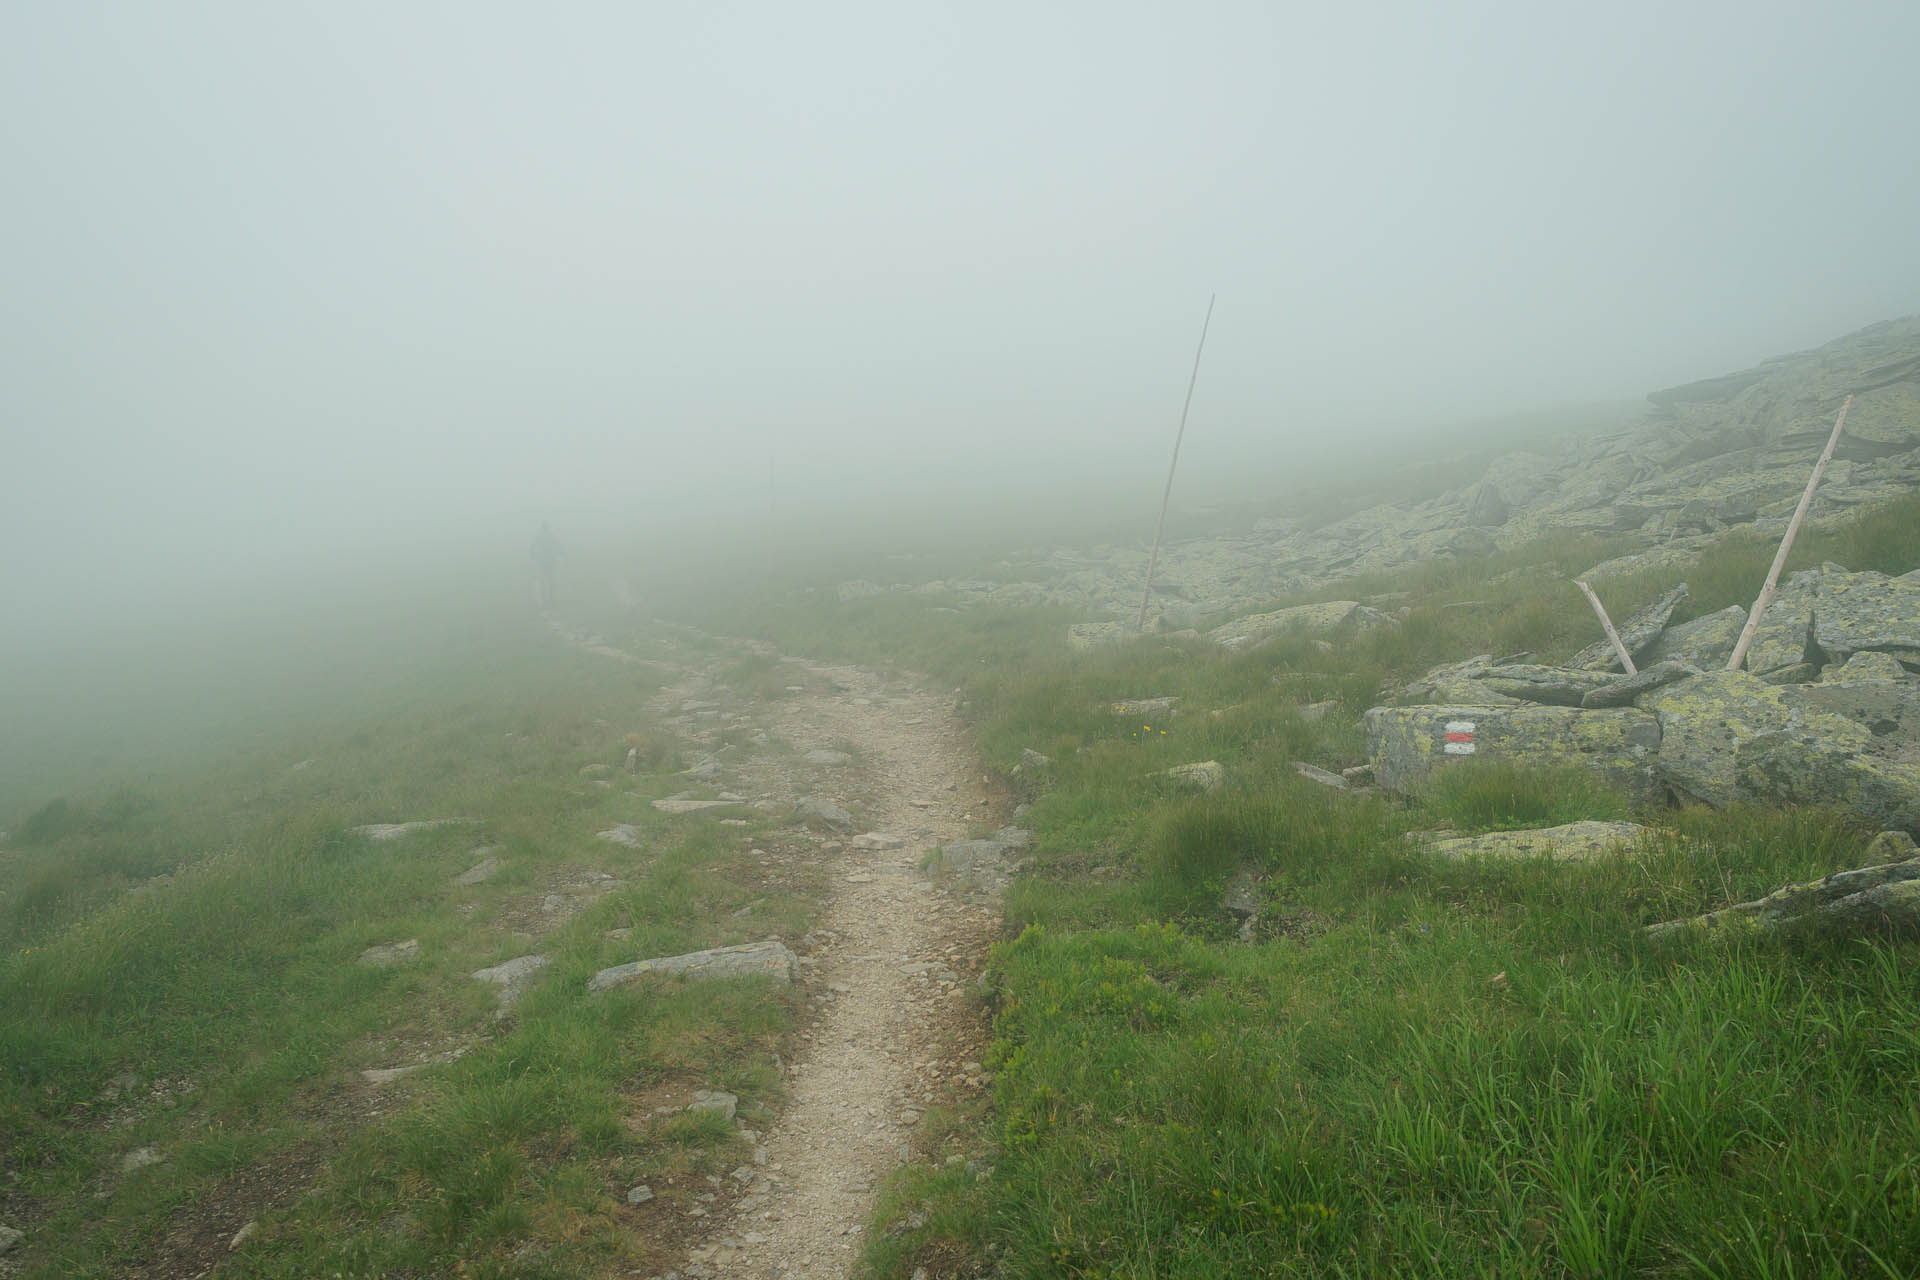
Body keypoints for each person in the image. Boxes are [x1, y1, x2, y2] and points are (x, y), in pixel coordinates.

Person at [530, 521, 561, 609]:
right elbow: (558, 545)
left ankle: (546, 599)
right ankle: (551, 599)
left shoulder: (539, 536)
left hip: (543, 561)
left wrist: (532, 555)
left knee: (544, 580)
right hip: (549, 560)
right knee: (550, 580)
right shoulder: (550, 535)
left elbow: (532, 547)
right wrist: (561, 553)